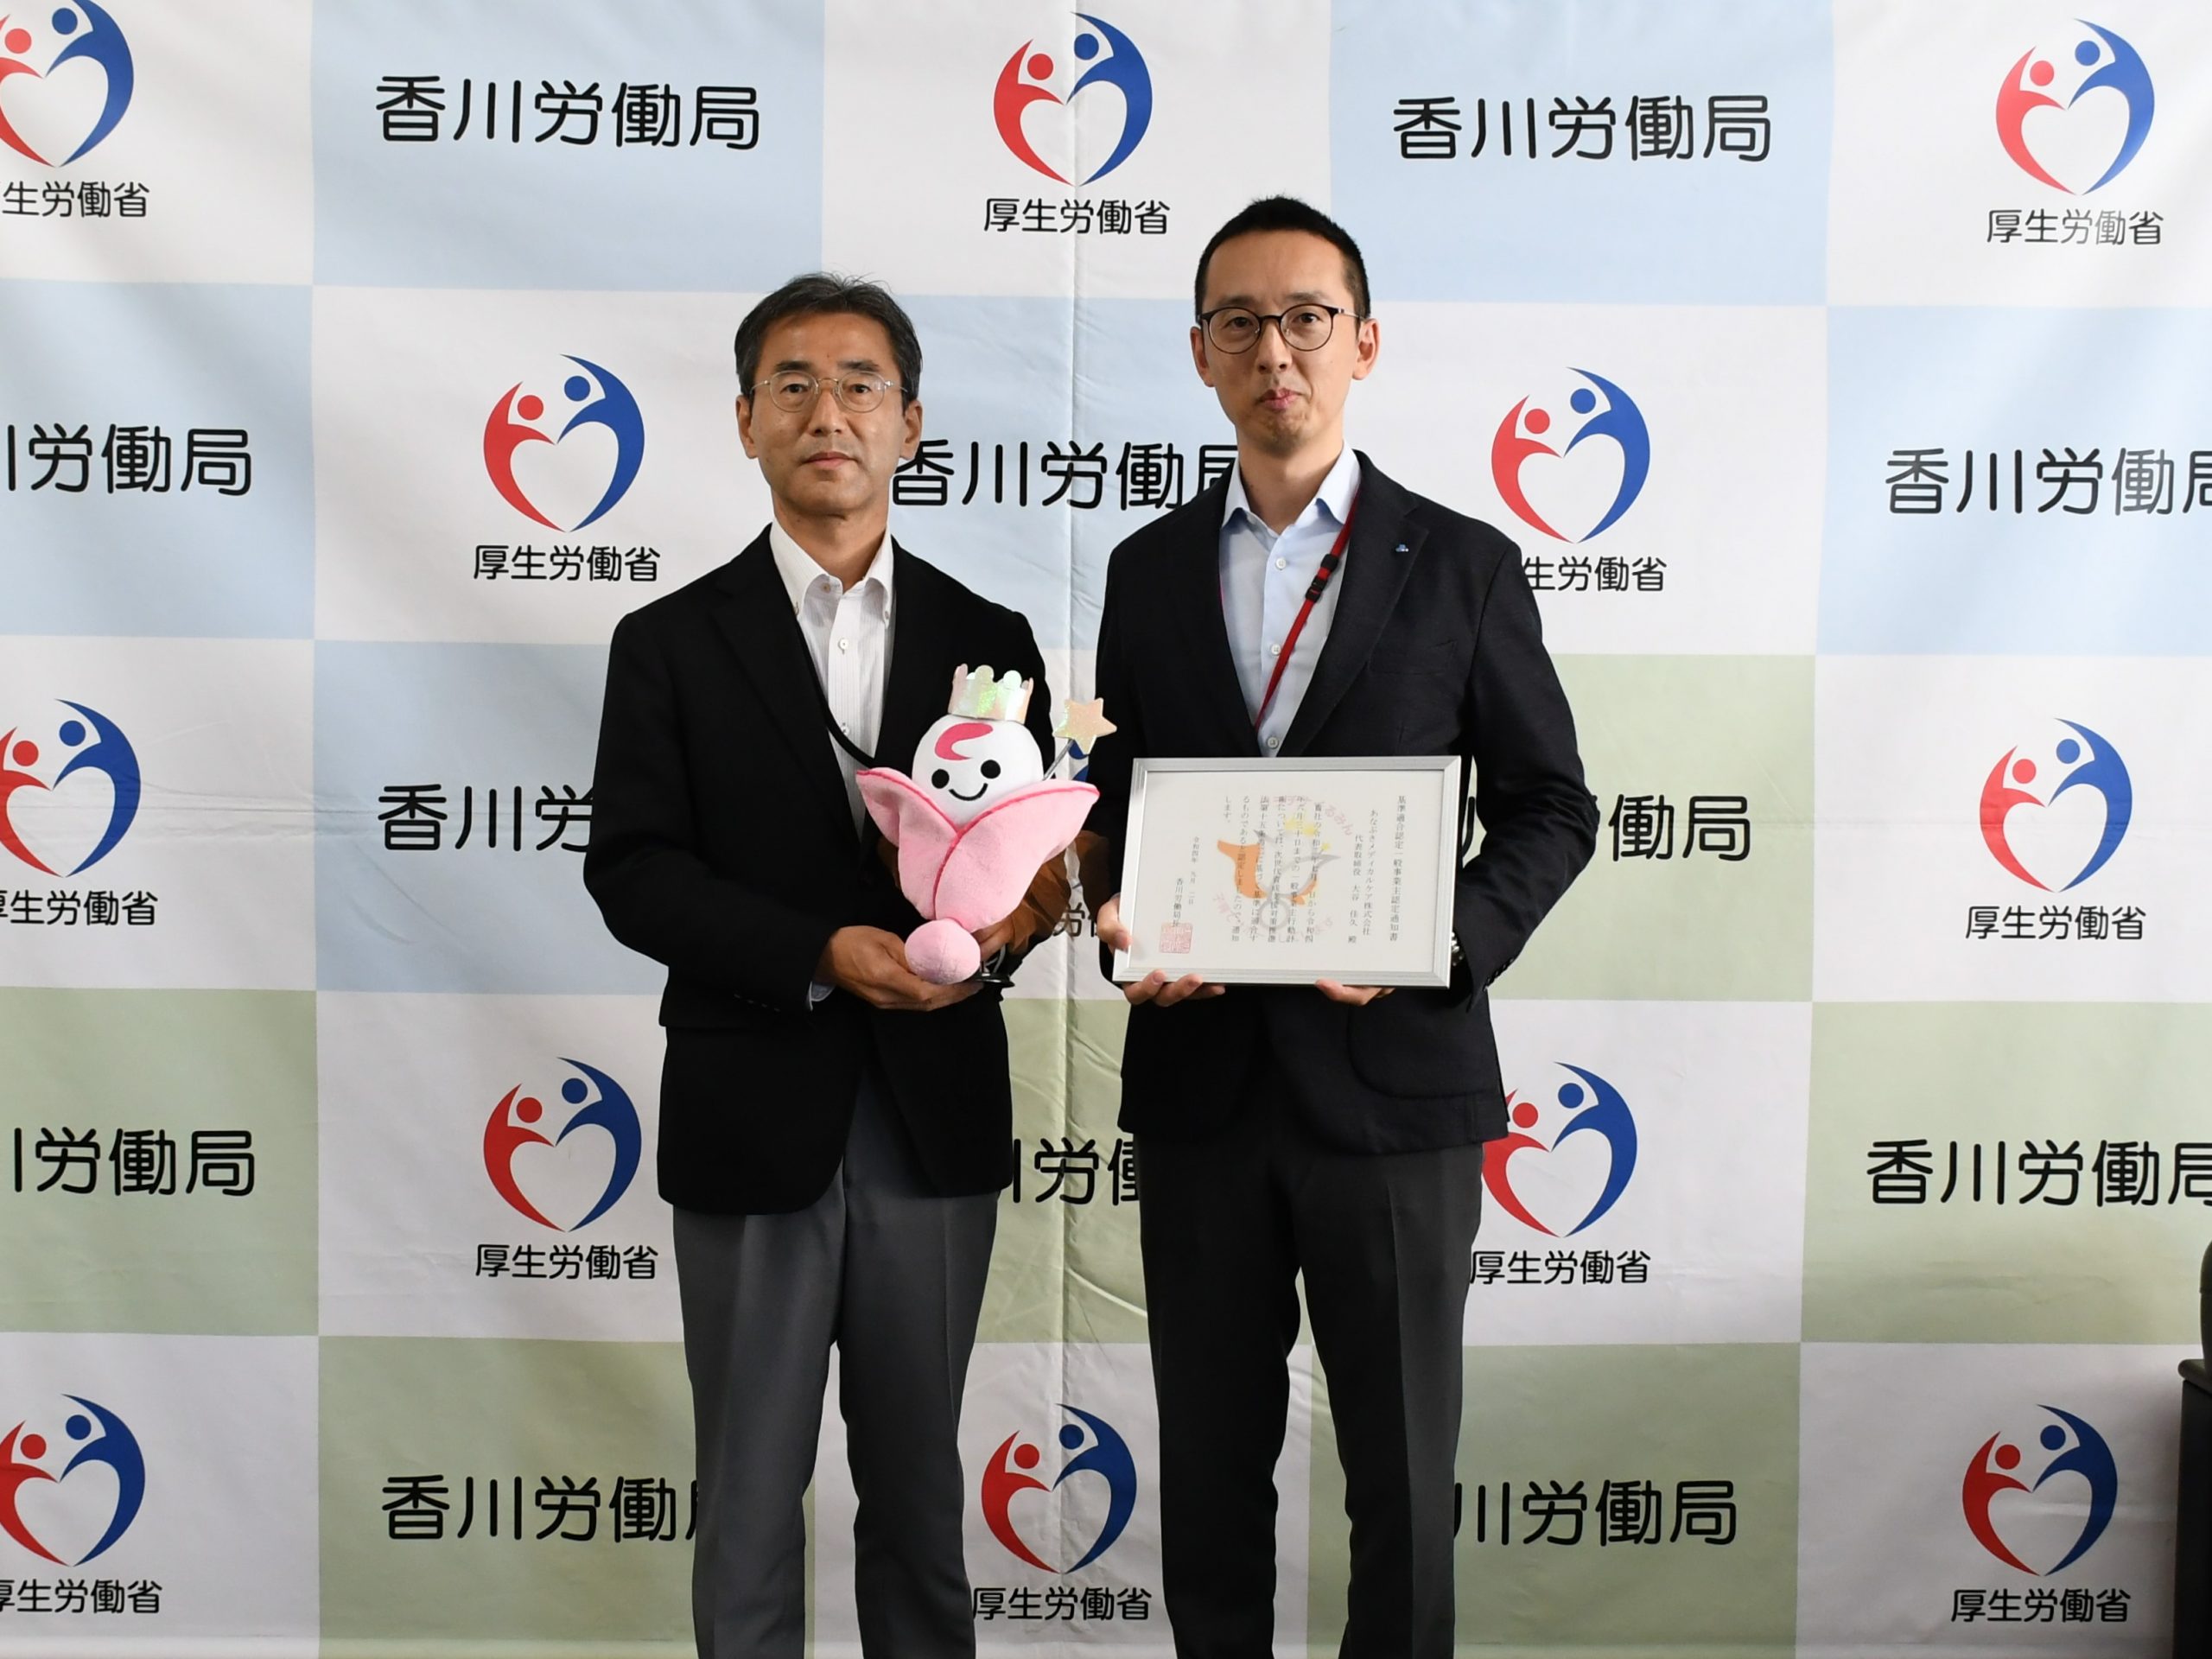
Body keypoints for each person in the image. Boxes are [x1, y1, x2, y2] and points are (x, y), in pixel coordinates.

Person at [1081, 197, 1599, 1657]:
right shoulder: (1146, 570)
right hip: (1203, 1090)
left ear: (1363, 342)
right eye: (1240, 323)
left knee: (1404, 1484)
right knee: (1208, 1482)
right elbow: (1118, 807)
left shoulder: (1462, 563)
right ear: (1200, 354)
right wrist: (1120, 921)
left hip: (1397, 1091)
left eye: (1307, 319)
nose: (1277, 353)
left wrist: (1436, 939)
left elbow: (1554, 808)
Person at [584, 272, 1058, 1659]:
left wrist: (1012, 927)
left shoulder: (992, 641)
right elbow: (634, 870)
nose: (827, 412)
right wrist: (814, 954)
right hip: (752, 1108)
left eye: (860, 385)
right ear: (746, 421)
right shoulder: (668, 643)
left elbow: (1031, 854)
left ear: (910, 421)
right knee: (746, 1495)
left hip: (932, 1112)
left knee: (918, 1493)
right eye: (792, 384)